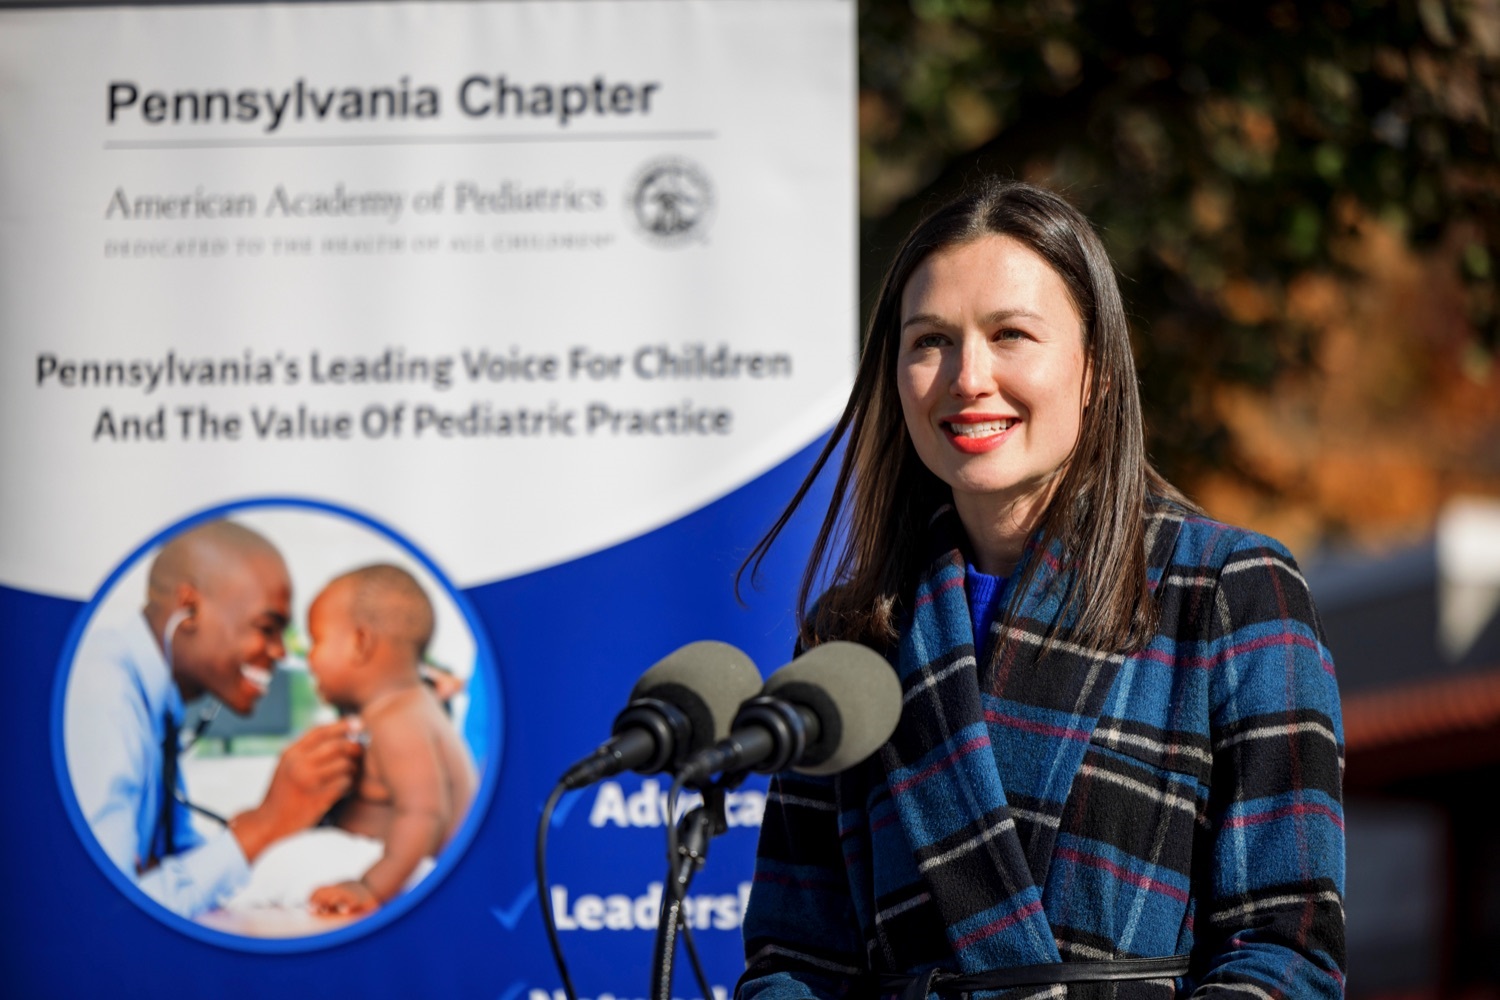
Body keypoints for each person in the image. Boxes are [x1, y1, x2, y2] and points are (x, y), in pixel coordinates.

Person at [736, 181, 1345, 999]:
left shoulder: (1232, 591)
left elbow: (1287, 946)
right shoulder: (849, 639)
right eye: (930, 342)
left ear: (1094, 369)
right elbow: (793, 959)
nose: (968, 378)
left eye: (1011, 335)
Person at [63, 520, 362, 918]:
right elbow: (108, 913)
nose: (278, 652)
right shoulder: (100, 695)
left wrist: (268, 827)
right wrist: (265, 823)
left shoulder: (159, 710)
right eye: (266, 627)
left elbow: (175, 864)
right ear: (188, 609)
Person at [300, 564, 478, 917]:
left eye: (316, 641)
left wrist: (371, 886)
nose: (309, 659)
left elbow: (425, 813)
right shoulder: (407, 708)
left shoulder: (399, 720)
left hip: (411, 885)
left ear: (360, 643)